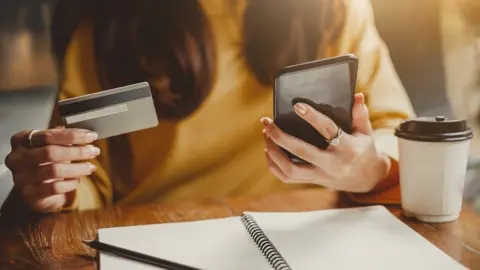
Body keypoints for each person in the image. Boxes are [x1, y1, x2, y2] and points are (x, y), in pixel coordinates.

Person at [1, 0, 415, 216]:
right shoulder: (108, 26)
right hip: (154, 234)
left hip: (315, 230)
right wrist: (59, 185)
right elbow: (91, 175)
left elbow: (397, 130)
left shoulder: (334, 11)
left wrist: (371, 169)